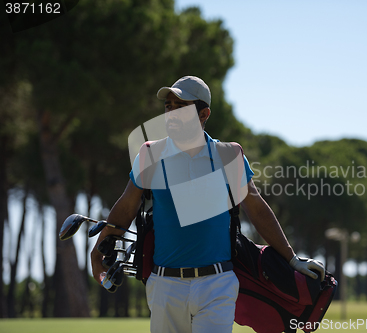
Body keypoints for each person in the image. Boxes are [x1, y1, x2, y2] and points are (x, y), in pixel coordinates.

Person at [90, 76, 325, 333]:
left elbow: (256, 209)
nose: (171, 114)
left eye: (181, 107)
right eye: (168, 107)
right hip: (165, 286)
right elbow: (127, 206)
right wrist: (101, 246)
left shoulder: (228, 155)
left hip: (217, 284)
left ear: (204, 114)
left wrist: (291, 259)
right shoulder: (151, 154)